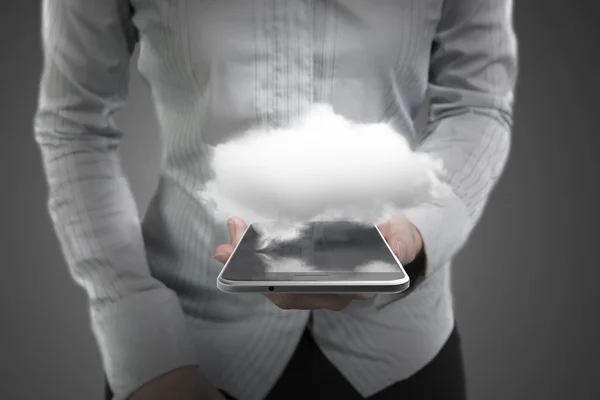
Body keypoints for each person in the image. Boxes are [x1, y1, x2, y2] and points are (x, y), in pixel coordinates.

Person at [34, 1, 517, 399]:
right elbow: (75, 128)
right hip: (189, 351)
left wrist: (419, 229)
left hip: (401, 351)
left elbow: (477, 101)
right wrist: (142, 343)